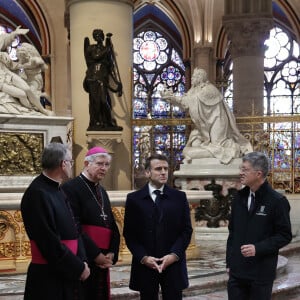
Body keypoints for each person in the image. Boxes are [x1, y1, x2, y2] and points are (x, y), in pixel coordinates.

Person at [21, 142, 90, 300]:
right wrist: (78, 267)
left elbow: (74, 229)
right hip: (48, 277)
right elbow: (48, 241)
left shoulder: (57, 189)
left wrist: (83, 260)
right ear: (63, 164)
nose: (72, 166)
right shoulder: (37, 193)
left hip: (67, 270)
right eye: (71, 162)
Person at [123, 153, 193, 300]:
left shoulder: (179, 197)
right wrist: (143, 257)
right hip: (146, 265)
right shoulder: (134, 199)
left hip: (173, 264)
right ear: (148, 172)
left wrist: (174, 255)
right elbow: (129, 234)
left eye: (166, 169)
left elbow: (186, 230)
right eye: (158, 169)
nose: (163, 172)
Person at [226, 151, 292, 300]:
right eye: (241, 169)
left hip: (261, 273)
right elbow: (233, 233)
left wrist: (258, 248)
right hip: (237, 274)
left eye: (245, 169)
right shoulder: (238, 198)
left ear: (258, 173)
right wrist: (230, 263)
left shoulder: (277, 201)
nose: (240, 173)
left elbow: (284, 235)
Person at [62, 146, 120, 300]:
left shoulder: (102, 191)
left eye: (107, 164)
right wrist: (96, 255)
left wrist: (111, 252)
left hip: (103, 257)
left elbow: (112, 225)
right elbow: (74, 226)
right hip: (84, 257)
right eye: (100, 164)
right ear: (87, 164)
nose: (104, 168)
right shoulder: (70, 188)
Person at [161, 68, 252, 164]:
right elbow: (186, 102)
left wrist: (175, 98)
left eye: (194, 76)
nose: (192, 78)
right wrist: (172, 98)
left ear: (200, 78)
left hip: (217, 120)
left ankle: (234, 149)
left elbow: (192, 101)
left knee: (218, 144)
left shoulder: (209, 89)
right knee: (194, 144)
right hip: (204, 126)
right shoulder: (193, 90)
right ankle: (210, 151)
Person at [83, 29, 123, 131]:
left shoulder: (106, 50)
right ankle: (96, 122)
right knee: (95, 102)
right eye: (96, 35)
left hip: (102, 77)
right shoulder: (92, 48)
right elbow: (96, 57)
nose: (98, 37)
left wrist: (117, 83)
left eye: (100, 35)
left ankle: (108, 122)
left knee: (104, 101)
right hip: (93, 77)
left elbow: (111, 69)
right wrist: (108, 48)